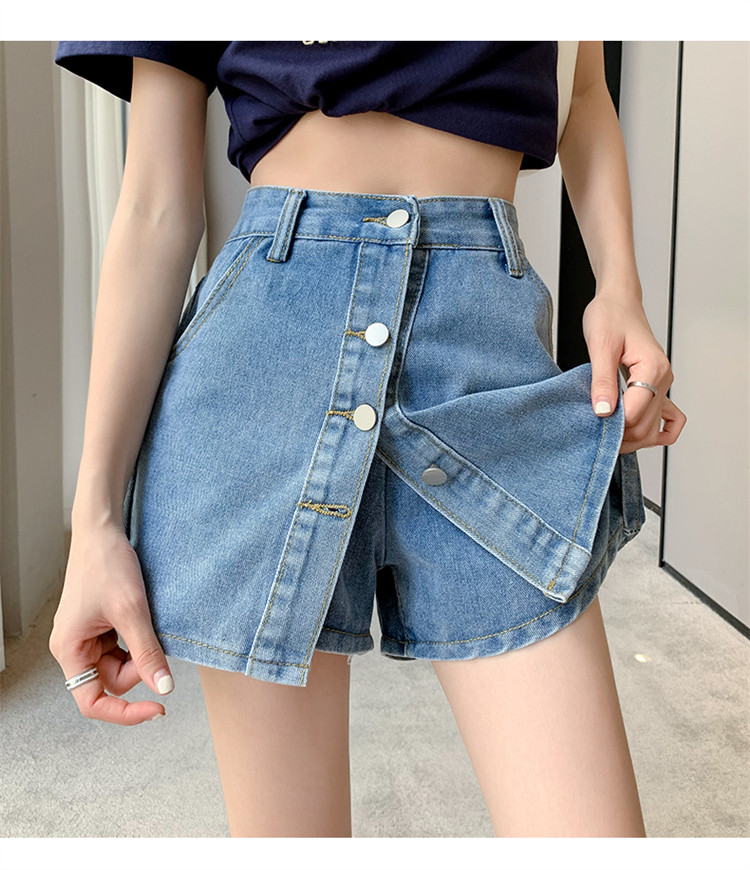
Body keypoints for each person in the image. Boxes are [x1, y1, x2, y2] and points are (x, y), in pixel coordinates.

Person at [49, 40, 686, 837]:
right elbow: (153, 205)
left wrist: (619, 287)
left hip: (482, 356)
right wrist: (95, 523)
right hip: (265, 361)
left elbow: (584, 90)